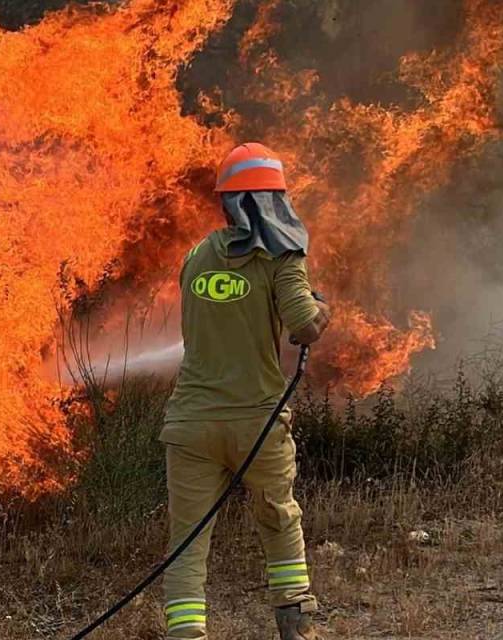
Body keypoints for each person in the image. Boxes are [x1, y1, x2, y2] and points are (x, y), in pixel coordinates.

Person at [159, 142, 331, 640]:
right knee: (278, 521)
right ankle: (296, 626)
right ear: (274, 201)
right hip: (256, 421)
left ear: (228, 202)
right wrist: (322, 310)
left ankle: (186, 635)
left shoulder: (196, 257)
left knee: (187, 544)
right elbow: (303, 324)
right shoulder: (282, 257)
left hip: (190, 423)